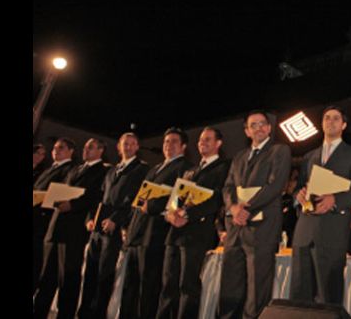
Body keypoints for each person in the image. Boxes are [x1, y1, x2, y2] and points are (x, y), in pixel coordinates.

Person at [290, 105, 351, 305]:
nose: (330, 121)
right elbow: (298, 189)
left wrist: (336, 200)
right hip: (304, 231)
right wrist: (298, 196)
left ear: (344, 125)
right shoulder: (309, 156)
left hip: (333, 230)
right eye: (326, 118)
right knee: (300, 294)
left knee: (328, 296)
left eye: (335, 118)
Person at [219, 111, 292, 319]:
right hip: (235, 228)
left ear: (269, 128)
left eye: (263, 124)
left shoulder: (279, 151)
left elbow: (275, 186)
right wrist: (233, 208)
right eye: (253, 125)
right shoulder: (239, 156)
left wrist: (245, 209)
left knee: (257, 290)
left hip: (263, 228)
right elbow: (228, 187)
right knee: (230, 285)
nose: (258, 128)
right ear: (247, 131)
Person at [156, 126, 231, 319]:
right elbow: (174, 199)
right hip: (174, 233)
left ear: (218, 143)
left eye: (207, 139)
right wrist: (170, 213)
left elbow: (216, 199)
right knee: (167, 284)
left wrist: (187, 214)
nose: (202, 143)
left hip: (197, 233)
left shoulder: (224, 167)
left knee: (187, 286)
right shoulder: (190, 170)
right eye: (200, 140)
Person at [33, 138, 109, 319]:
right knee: (46, 278)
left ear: (100, 151)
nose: (86, 150)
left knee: (68, 280)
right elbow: (61, 190)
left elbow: (95, 196)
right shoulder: (75, 169)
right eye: (85, 147)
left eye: (90, 147)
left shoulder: (102, 171)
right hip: (55, 226)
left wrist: (73, 205)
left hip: (74, 231)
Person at [120, 127, 190, 319]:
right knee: (130, 286)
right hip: (137, 232)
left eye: (174, 141)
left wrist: (151, 206)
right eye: (166, 141)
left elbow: (177, 199)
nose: (169, 145)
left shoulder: (185, 168)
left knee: (149, 288)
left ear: (183, 146)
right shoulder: (154, 168)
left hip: (156, 234)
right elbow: (140, 199)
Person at [78, 132, 149, 319]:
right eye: (125, 143)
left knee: (105, 275)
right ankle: (84, 312)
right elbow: (99, 197)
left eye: (133, 144)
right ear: (119, 147)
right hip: (97, 228)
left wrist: (116, 220)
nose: (128, 147)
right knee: (90, 273)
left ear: (137, 148)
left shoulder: (141, 169)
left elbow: (134, 199)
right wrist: (90, 218)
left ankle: (98, 313)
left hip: (115, 229)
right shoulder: (111, 171)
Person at [33, 139, 76, 293]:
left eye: (61, 148)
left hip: (44, 221)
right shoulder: (49, 168)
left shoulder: (69, 169)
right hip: (36, 218)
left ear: (70, 151)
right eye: (54, 148)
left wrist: (40, 196)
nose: (55, 151)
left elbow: (60, 194)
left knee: (37, 263)